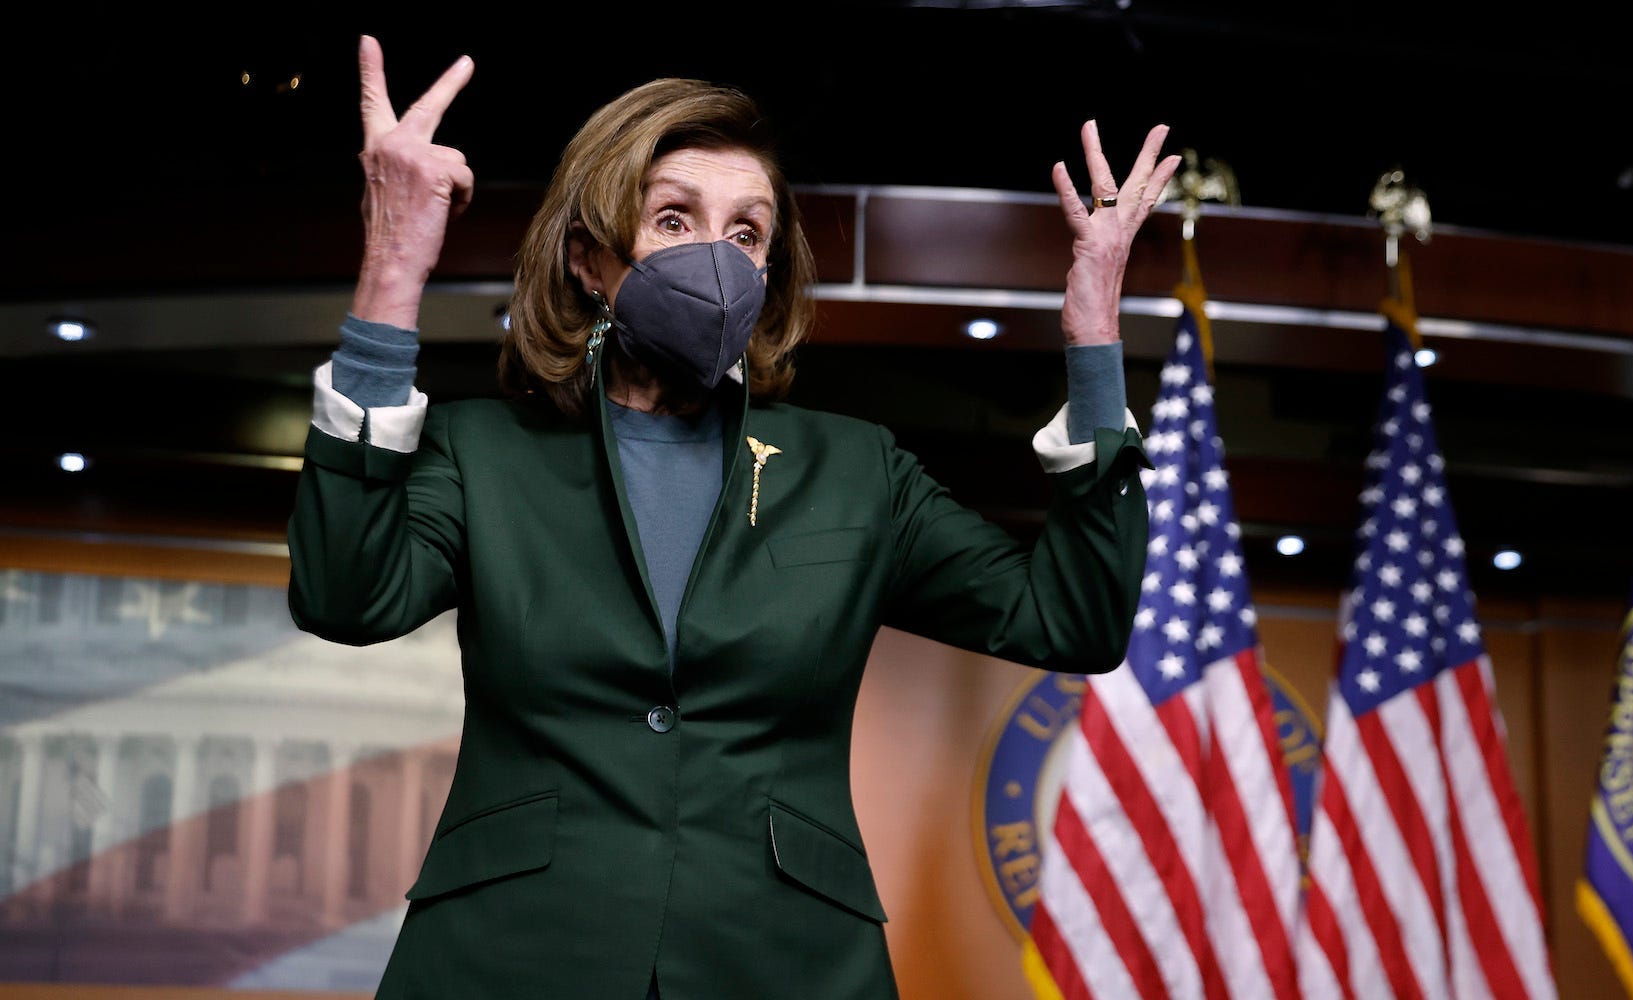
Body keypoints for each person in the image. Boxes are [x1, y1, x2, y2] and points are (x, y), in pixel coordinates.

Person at [286, 35, 1178, 999]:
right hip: (512, 957)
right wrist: (392, 273)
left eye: (747, 233)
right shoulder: (482, 453)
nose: (720, 257)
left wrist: (1094, 346)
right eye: (674, 219)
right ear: (590, 260)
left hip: (785, 963)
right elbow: (346, 596)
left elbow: (1075, 621)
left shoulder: (855, 471)